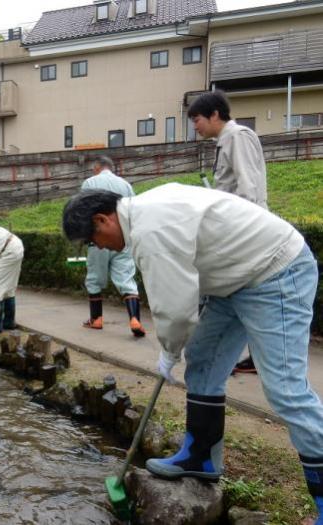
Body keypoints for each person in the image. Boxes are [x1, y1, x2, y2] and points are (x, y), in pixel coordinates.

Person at [62, 184, 322, 525]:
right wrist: (179, 349)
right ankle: (202, 458)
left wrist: (169, 352)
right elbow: (188, 282)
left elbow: (176, 309)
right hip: (234, 280)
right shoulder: (144, 215)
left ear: (103, 219)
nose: (99, 248)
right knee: (201, 359)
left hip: (275, 271)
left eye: (93, 241)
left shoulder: (150, 228)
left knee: (286, 391)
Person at [189, 90, 268, 374]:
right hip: (234, 231)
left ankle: (253, 359)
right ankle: (241, 357)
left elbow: (249, 189)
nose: (195, 126)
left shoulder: (238, 136)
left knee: (246, 298)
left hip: (245, 233)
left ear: (214, 115)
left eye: (197, 119)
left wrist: (240, 234)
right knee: (236, 298)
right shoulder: (225, 142)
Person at [80, 155, 145, 337]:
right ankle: (135, 319)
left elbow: (83, 211)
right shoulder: (125, 185)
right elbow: (134, 211)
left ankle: (97, 319)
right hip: (122, 238)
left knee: (94, 278)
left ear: (97, 167)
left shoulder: (89, 183)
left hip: (99, 238)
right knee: (126, 278)